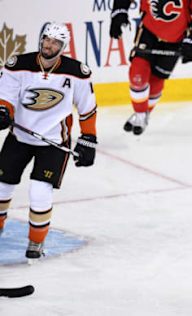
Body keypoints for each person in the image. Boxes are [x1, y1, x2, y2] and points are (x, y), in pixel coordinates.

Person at [0, 22, 97, 262]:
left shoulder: (77, 72)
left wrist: (89, 139)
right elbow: (5, 95)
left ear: (62, 47)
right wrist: (3, 111)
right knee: (1, 186)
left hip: (54, 141)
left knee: (39, 191)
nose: (48, 45)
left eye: (55, 42)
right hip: (19, 137)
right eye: (46, 39)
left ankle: (36, 242)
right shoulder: (19, 65)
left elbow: (88, 109)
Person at [109, 0, 192, 135]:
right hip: (148, 31)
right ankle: (140, 115)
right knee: (137, 73)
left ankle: (143, 114)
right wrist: (119, 11)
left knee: (157, 79)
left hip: (176, 38)